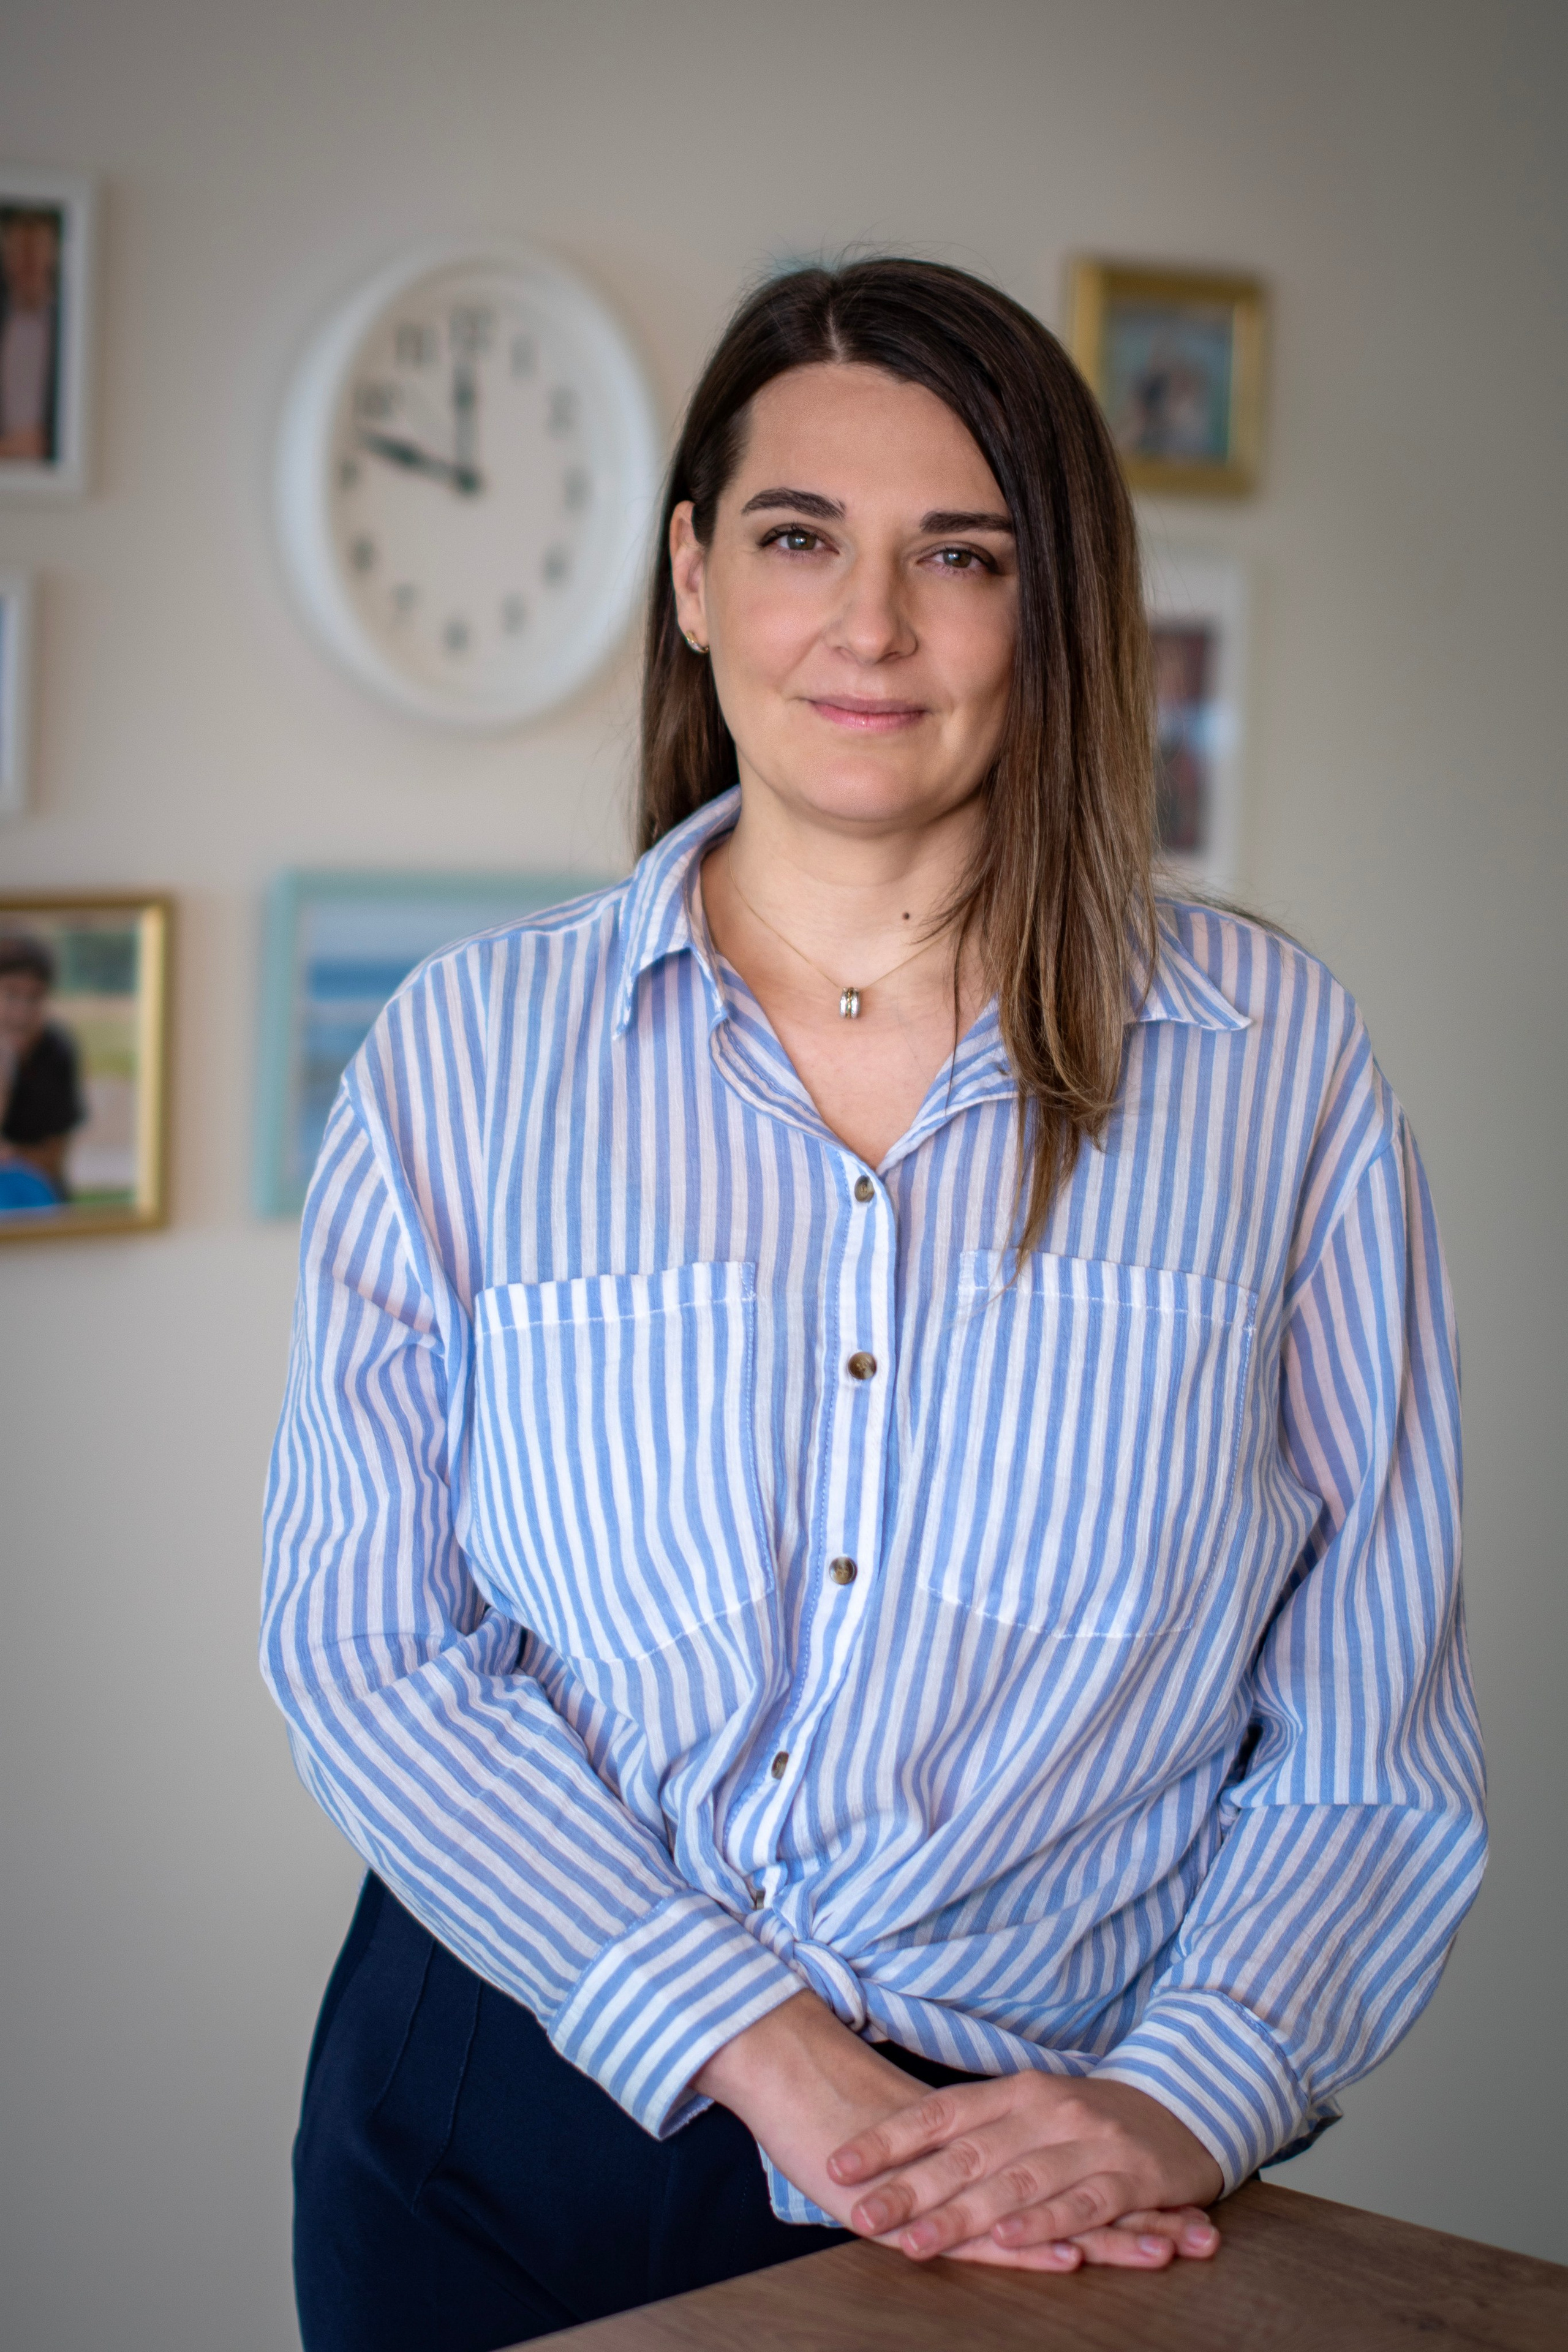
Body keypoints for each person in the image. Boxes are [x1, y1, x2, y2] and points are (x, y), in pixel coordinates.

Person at [262, 259, 1485, 2352]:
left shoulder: (1279, 1069)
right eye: (800, 536)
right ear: (692, 580)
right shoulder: (468, 1057)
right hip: (503, 2115)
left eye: (964, 555)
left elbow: (1372, 1743)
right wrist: (761, 2044)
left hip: (1042, 2170)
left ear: (1058, 614)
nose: (874, 625)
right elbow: (370, 1653)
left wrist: (1182, 2098)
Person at [0, 932, 83, 1208]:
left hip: (32, 1196)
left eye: (35, 998)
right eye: (11, 994)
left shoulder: (55, 1051)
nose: (22, 1012)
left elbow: (55, 1157)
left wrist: (14, 1156)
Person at [0, 207, 62, 466]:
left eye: (36, 248)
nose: (28, 261)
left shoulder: (71, 333)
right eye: (18, 250)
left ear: (53, 255)